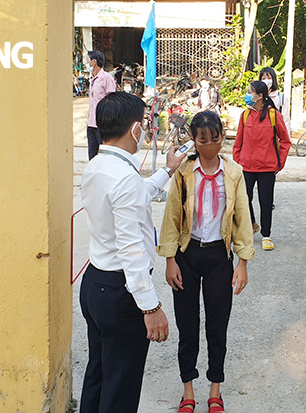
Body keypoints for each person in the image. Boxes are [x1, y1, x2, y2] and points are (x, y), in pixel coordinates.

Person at [79, 91, 186, 413]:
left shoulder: (98, 165)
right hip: (120, 293)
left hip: (95, 284)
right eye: (146, 124)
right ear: (135, 129)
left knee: (99, 374)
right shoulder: (123, 177)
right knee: (121, 386)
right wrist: (151, 307)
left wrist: (167, 170)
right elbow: (131, 250)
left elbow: (135, 196)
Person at [157, 111, 254, 413]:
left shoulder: (234, 173)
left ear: (222, 138)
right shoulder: (184, 174)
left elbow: (242, 219)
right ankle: (188, 391)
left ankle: (215, 389)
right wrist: (170, 259)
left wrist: (243, 262)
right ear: (193, 141)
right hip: (188, 256)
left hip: (218, 258)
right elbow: (172, 217)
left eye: (216, 139)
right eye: (203, 140)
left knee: (217, 326)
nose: (210, 146)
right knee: (188, 326)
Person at [233, 81, 291, 251]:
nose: (247, 94)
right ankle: (251, 224)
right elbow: (239, 141)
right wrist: (237, 159)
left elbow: (285, 142)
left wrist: (278, 163)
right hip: (246, 167)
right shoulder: (244, 115)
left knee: (266, 202)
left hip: (267, 168)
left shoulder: (274, 116)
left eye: (250, 92)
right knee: (244, 199)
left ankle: (266, 234)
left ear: (260, 96)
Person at [86, 50, 116, 160]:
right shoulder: (92, 79)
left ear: (94, 62)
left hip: (102, 124)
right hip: (91, 123)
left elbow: (112, 100)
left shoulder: (107, 78)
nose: (86, 64)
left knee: (104, 155)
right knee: (92, 156)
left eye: (88, 61)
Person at [259, 67, 291, 132]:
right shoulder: (257, 97)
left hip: (275, 136)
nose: (266, 81)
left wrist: (286, 140)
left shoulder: (281, 98)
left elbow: (285, 121)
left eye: (269, 78)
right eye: (263, 79)